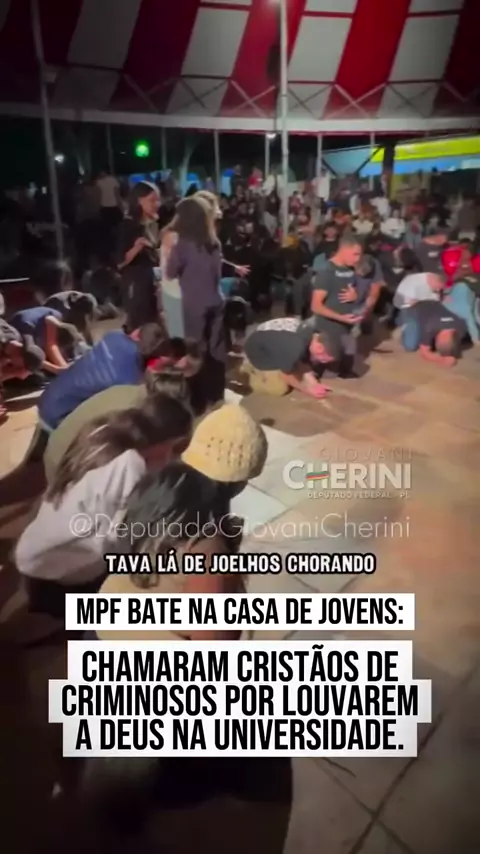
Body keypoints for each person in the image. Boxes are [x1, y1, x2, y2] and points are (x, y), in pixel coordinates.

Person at [15, 393, 192, 619]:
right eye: (176, 447)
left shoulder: (105, 433)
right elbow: (121, 541)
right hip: (64, 574)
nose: (173, 457)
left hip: (41, 549)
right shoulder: (129, 467)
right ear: (165, 440)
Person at [38, 322, 168, 433]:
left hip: (48, 399)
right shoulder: (132, 380)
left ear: (137, 333)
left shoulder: (113, 336)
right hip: (59, 421)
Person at [166, 197, 226, 409]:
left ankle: (199, 398)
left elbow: (170, 273)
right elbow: (217, 273)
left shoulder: (182, 245)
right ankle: (217, 394)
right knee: (217, 350)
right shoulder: (213, 243)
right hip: (216, 300)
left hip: (194, 305)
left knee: (196, 351)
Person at [310, 233, 364, 378]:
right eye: (355, 254)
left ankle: (344, 371)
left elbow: (352, 292)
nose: (358, 259)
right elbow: (316, 306)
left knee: (349, 352)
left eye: (359, 255)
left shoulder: (350, 269)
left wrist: (355, 296)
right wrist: (341, 318)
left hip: (347, 326)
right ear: (343, 250)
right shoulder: (326, 271)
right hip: (328, 327)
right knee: (321, 360)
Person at [243, 317, 334, 398]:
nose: (322, 361)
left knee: (298, 368)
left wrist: (315, 384)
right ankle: (247, 372)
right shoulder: (296, 345)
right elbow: (286, 374)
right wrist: (307, 391)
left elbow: (303, 364)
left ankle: (284, 362)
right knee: (279, 388)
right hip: (259, 350)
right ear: (319, 347)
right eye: (323, 358)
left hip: (274, 342)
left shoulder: (312, 336)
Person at [117, 181, 160, 333]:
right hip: (136, 286)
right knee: (138, 328)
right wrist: (137, 247)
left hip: (151, 284)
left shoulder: (149, 225)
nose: (157, 204)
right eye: (152, 200)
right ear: (139, 201)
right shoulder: (128, 226)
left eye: (158, 200)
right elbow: (120, 262)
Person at [400, 300, 466, 365]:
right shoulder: (430, 326)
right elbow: (424, 352)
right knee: (410, 346)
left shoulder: (461, 326)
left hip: (435, 306)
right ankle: (403, 322)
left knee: (428, 341)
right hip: (416, 309)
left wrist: (451, 357)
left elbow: (453, 347)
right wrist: (441, 360)